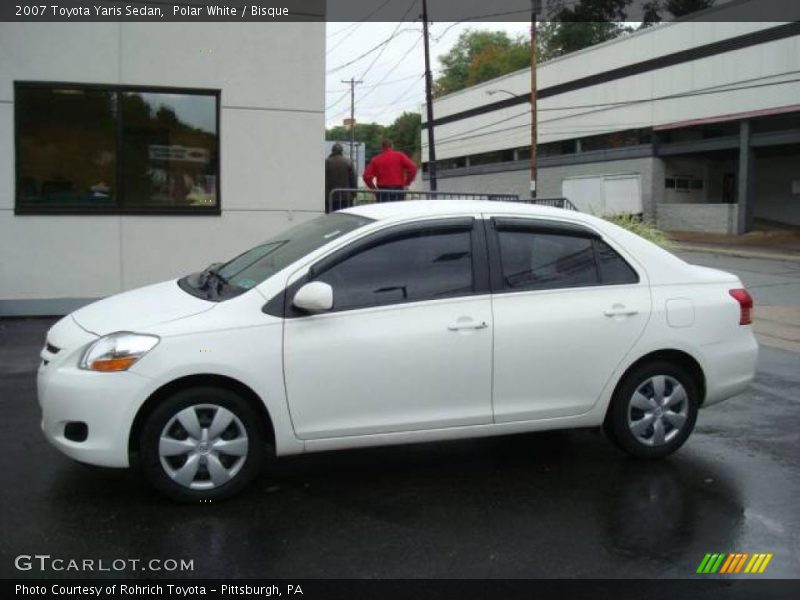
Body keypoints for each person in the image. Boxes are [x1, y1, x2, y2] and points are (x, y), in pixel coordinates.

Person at [325, 143, 357, 212]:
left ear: (332, 151)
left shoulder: (326, 162)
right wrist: (354, 193)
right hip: (346, 196)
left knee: (331, 217)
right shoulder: (348, 162)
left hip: (331, 196)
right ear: (341, 151)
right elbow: (353, 179)